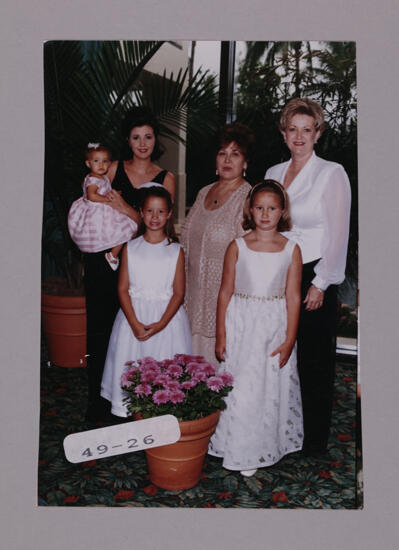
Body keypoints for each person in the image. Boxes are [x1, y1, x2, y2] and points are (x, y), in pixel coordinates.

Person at [265, 97, 351, 456]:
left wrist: (322, 282)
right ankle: (280, 432)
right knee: (278, 355)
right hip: (277, 273)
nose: (299, 136)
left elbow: (338, 232)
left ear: (318, 134)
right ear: (284, 135)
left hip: (314, 272)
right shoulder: (271, 173)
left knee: (314, 360)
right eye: (292, 129)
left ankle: (314, 441)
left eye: (307, 129)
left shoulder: (332, 173)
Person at [83, 107, 174, 423]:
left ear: (155, 139)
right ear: (127, 140)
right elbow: (89, 208)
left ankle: (140, 410)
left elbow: (162, 227)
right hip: (106, 262)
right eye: (136, 137)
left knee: (133, 339)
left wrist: (124, 206)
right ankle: (100, 407)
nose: (143, 143)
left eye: (148, 136)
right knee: (100, 333)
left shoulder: (166, 179)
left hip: (142, 270)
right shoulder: (110, 170)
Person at [208, 180, 303, 477]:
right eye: (259, 207)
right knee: (242, 386)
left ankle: (263, 443)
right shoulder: (237, 246)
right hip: (242, 323)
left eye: (271, 208)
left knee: (266, 386)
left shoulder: (292, 249)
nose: (265, 214)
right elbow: (224, 292)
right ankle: (237, 446)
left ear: (282, 211)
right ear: (250, 210)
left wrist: (290, 338)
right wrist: (221, 333)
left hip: (274, 326)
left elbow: (293, 296)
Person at [101, 186, 192, 418]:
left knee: (164, 369)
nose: (154, 217)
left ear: (169, 213)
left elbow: (178, 293)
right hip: (133, 319)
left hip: (166, 323)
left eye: (160, 211)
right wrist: (134, 323)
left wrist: (160, 324)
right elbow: (122, 289)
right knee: (133, 367)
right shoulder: (131, 248)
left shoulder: (176, 251)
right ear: (141, 213)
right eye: (149, 211)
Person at [181, 123, 254, 366]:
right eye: (222, 152)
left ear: (245, 162)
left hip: (223, 308)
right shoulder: (203, 192)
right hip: (191, 301)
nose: (227, 159)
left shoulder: (248, 198)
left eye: (235, 154)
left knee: (217, 383)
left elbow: (249, 261)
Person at [68, 143, 137, 271]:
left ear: (110, 163)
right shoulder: (93, 179)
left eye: (105, 161)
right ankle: (111, 254)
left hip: (103, 210)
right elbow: (91, 196)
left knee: (125, 231)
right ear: (88, 164)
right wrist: (107, 199)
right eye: (96, 161)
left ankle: (112, 255)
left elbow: (99, 190)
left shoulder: (101, 177)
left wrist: (111, 194)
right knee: (124, 231)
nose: (101, 165)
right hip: (96, 214)